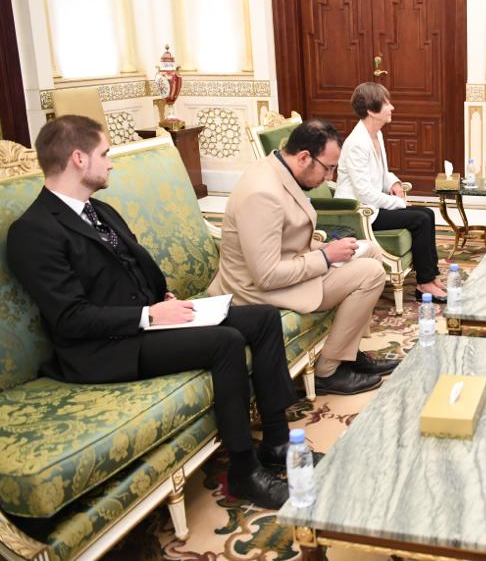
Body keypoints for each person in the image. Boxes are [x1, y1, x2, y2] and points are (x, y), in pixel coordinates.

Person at [7, 115, 294, 509]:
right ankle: (244, 472)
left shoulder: (100, 210)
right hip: (101, 349)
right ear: (78, 158)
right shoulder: (33, 231)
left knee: (262, 317)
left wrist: (162, 297)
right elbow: (70, 318)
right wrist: (150, 316)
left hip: (143, 324)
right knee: (225, 342)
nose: (111, 163)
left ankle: (277, 442)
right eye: (104, 154)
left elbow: (128, 268)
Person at [209, 118, 399, 397]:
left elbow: (288, 239)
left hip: (292, 267)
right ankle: (329, 372)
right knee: (371, 273)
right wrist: (325, 258)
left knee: (369, 249)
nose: (330, 178)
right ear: (303, 158)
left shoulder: (280, 169)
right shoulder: (262, 193)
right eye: (328, 168)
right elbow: (266, 276)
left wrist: (325, 249)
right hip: (255, 291)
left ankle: (349, 353)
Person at [334, 82, 446, 302]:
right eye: (386, 103)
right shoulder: (356, 143)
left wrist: (394, 182)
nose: (392, 107)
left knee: (427, 213)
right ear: (371, 110)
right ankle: (424, 284)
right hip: (360, 213)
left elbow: (382, 172)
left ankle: (431, 276)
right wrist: (399, 203)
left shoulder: (376, 135)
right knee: (420, 219)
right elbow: (364, 193)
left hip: (373, 206)